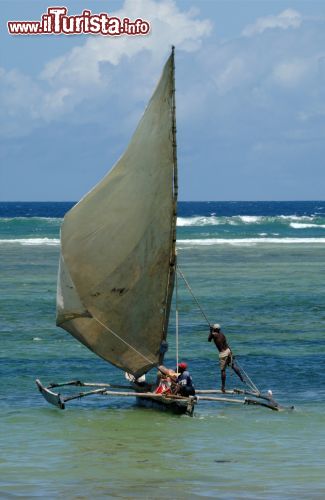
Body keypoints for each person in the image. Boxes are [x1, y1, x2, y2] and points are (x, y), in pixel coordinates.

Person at [208, 323, 244, 393]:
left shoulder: (214, 334)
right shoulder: (222, 335)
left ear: (215, 329)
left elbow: (209, 339)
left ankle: (223, 387)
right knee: (233, 366)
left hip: (223, 354)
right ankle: (241, 377)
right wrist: (232, 353)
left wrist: (210, 331)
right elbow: (226, 344)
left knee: (223, 371)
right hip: (228, 351)